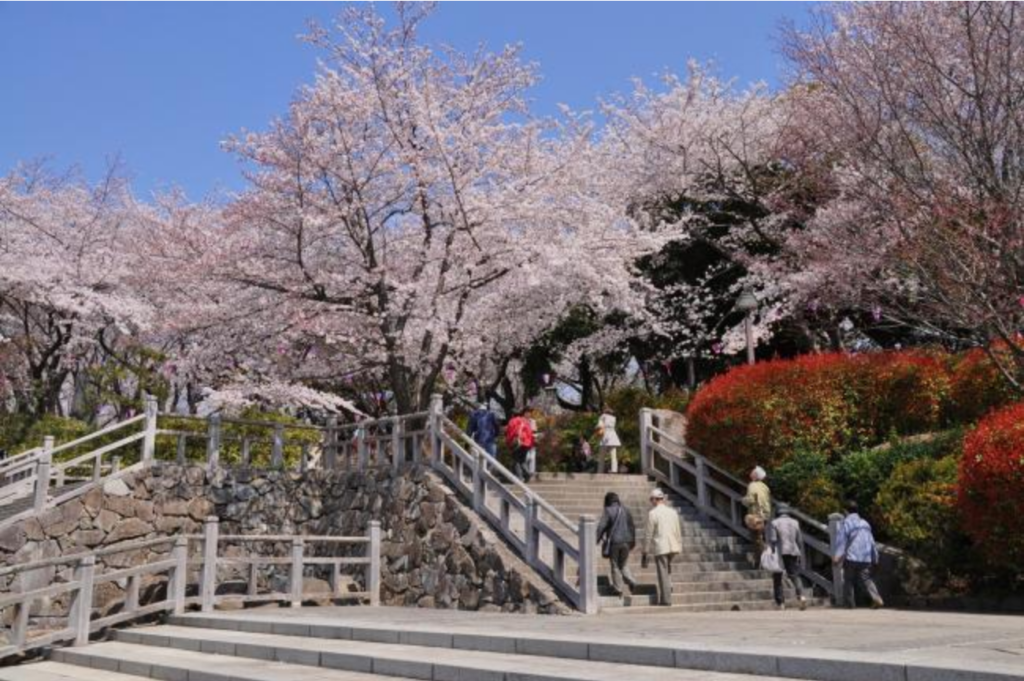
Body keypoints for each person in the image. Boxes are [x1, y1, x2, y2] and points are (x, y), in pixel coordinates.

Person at [833, 500, 884, 609]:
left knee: (849, 580)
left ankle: (850, 604)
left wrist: (837, 556)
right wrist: (875, 557)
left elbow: (842, 541)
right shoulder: (865, 523)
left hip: (851, 556)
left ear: (845, 511)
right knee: (866, 578)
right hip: (865, 557)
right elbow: (871, 541)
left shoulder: (846, 522)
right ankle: (876, 598)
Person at [642, 488, 683, 606]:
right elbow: (678, 529)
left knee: (663, 573)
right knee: (667, 569)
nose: (651, 501)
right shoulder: (672, 512)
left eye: (651, 499)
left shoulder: (653, 513)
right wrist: (679, 544)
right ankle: (669, 587)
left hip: (661, 546)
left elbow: (649, 533)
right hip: (673, 545)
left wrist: (645, 549)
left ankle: (666, 599)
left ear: (655, 499)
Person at [596, 491, 638, 596]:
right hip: (627, 541)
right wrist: (633, 541)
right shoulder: (626, 510)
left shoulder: (608, 511)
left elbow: (601, 526)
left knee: (614, 565)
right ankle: (632, 580)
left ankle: (618, 588)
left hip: (615, 542)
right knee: (623, 564)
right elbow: (632, 526)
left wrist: (595, 539)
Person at [767, 503, 807, 611]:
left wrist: (771, 551)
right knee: (794, 575)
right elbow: (799, 540)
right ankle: (801, 596)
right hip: (793, 551)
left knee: (777, 577)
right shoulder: (795, 522)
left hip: (780, 552)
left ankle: (781, 603)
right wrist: (799, 552)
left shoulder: (775, 523)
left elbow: (773, 539)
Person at [743, 465, 772, 557]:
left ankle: (762, 559)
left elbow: (751, 499)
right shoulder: (765, 487)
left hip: (755, 515)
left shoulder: (752, 485)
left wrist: (743, 500)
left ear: (755, 475)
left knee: (756, 539)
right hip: (765, 515)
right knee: (761, 537)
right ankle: (765, 557)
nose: (751, 473)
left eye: (753, 472)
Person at [504, 410, 535, 483]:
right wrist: (530, 444)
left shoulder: (512, 421)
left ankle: (520, 477)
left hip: (517, 443)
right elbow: (530, 433)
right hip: (526, 443)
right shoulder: (525, 421)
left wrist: (508, 443)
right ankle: (527, 474)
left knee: (516, 460)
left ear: (512, 415)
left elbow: (509, 433)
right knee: (522, 460)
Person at [594, 407, 621, 474]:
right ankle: (614, 469)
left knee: (602, 455)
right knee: (613, 455)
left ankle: (600, 470)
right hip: (613, 435)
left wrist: (596, 427)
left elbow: (599, 425)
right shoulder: (614, 418)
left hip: (605, 436)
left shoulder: (603, 416)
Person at [525, 410, 540, 478]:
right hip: (524, 441)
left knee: (532, 457)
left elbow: (535, 431)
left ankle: (531, 472)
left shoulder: (533, 421)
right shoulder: (522, 421)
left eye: (529, 413)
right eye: (527, 413)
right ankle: (526, 471)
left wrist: (536, 437)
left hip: (532, 441)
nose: (528, 414)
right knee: (527, 457)